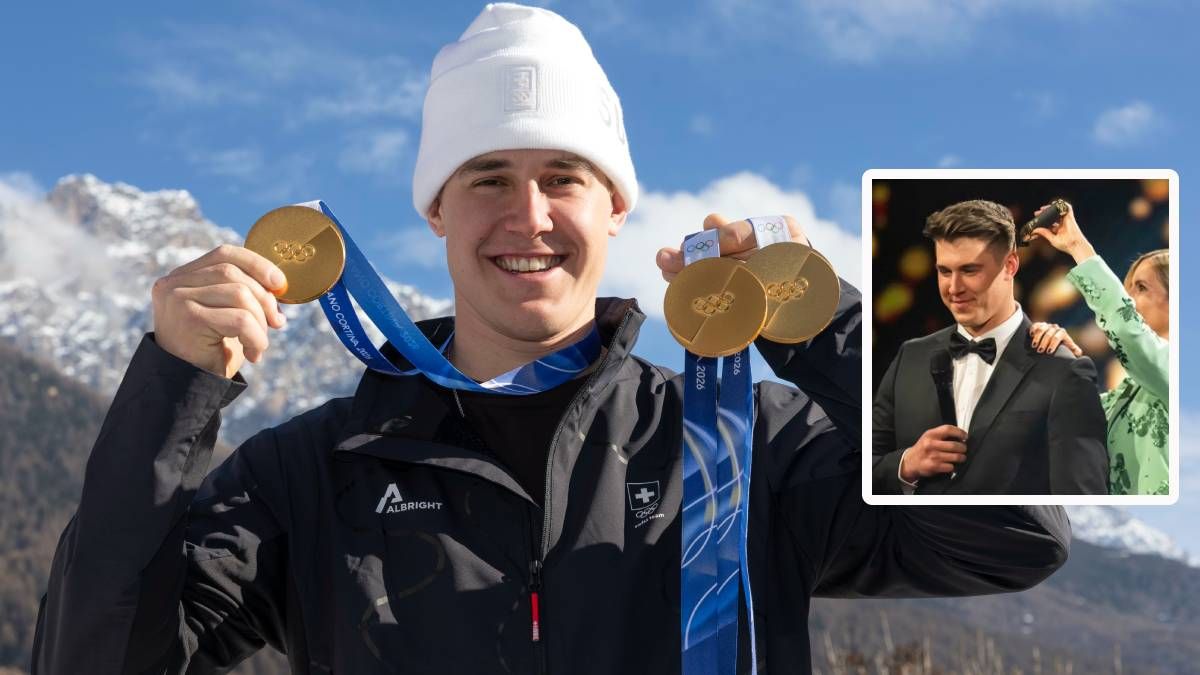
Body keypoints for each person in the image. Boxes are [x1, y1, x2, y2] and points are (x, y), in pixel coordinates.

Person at [35, 5, 1072, 674]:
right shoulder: (314, 472)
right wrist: (171, 391)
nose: (528, 216)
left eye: (563, 178)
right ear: (436, 212)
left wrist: (828, 330)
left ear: (615, 208)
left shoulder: (751, 445)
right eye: (488, 177)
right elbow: (94, 659)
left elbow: (1016, 533)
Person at [873, 199, 1110, 495]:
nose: (954, 288)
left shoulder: (1064, 370)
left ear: (1010, 265)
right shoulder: (911, 356)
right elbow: (862, 468)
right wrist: (906, 464)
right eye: (944, 271)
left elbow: (1083, 499)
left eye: (970, 270)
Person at [1025, 201, 1169, 495]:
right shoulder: (1129, 392)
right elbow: (1073, 427)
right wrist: (1065, 362)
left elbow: (1127, 327)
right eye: (1127, 290)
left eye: (1141, 288)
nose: (1128, 299)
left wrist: (1076, 244)